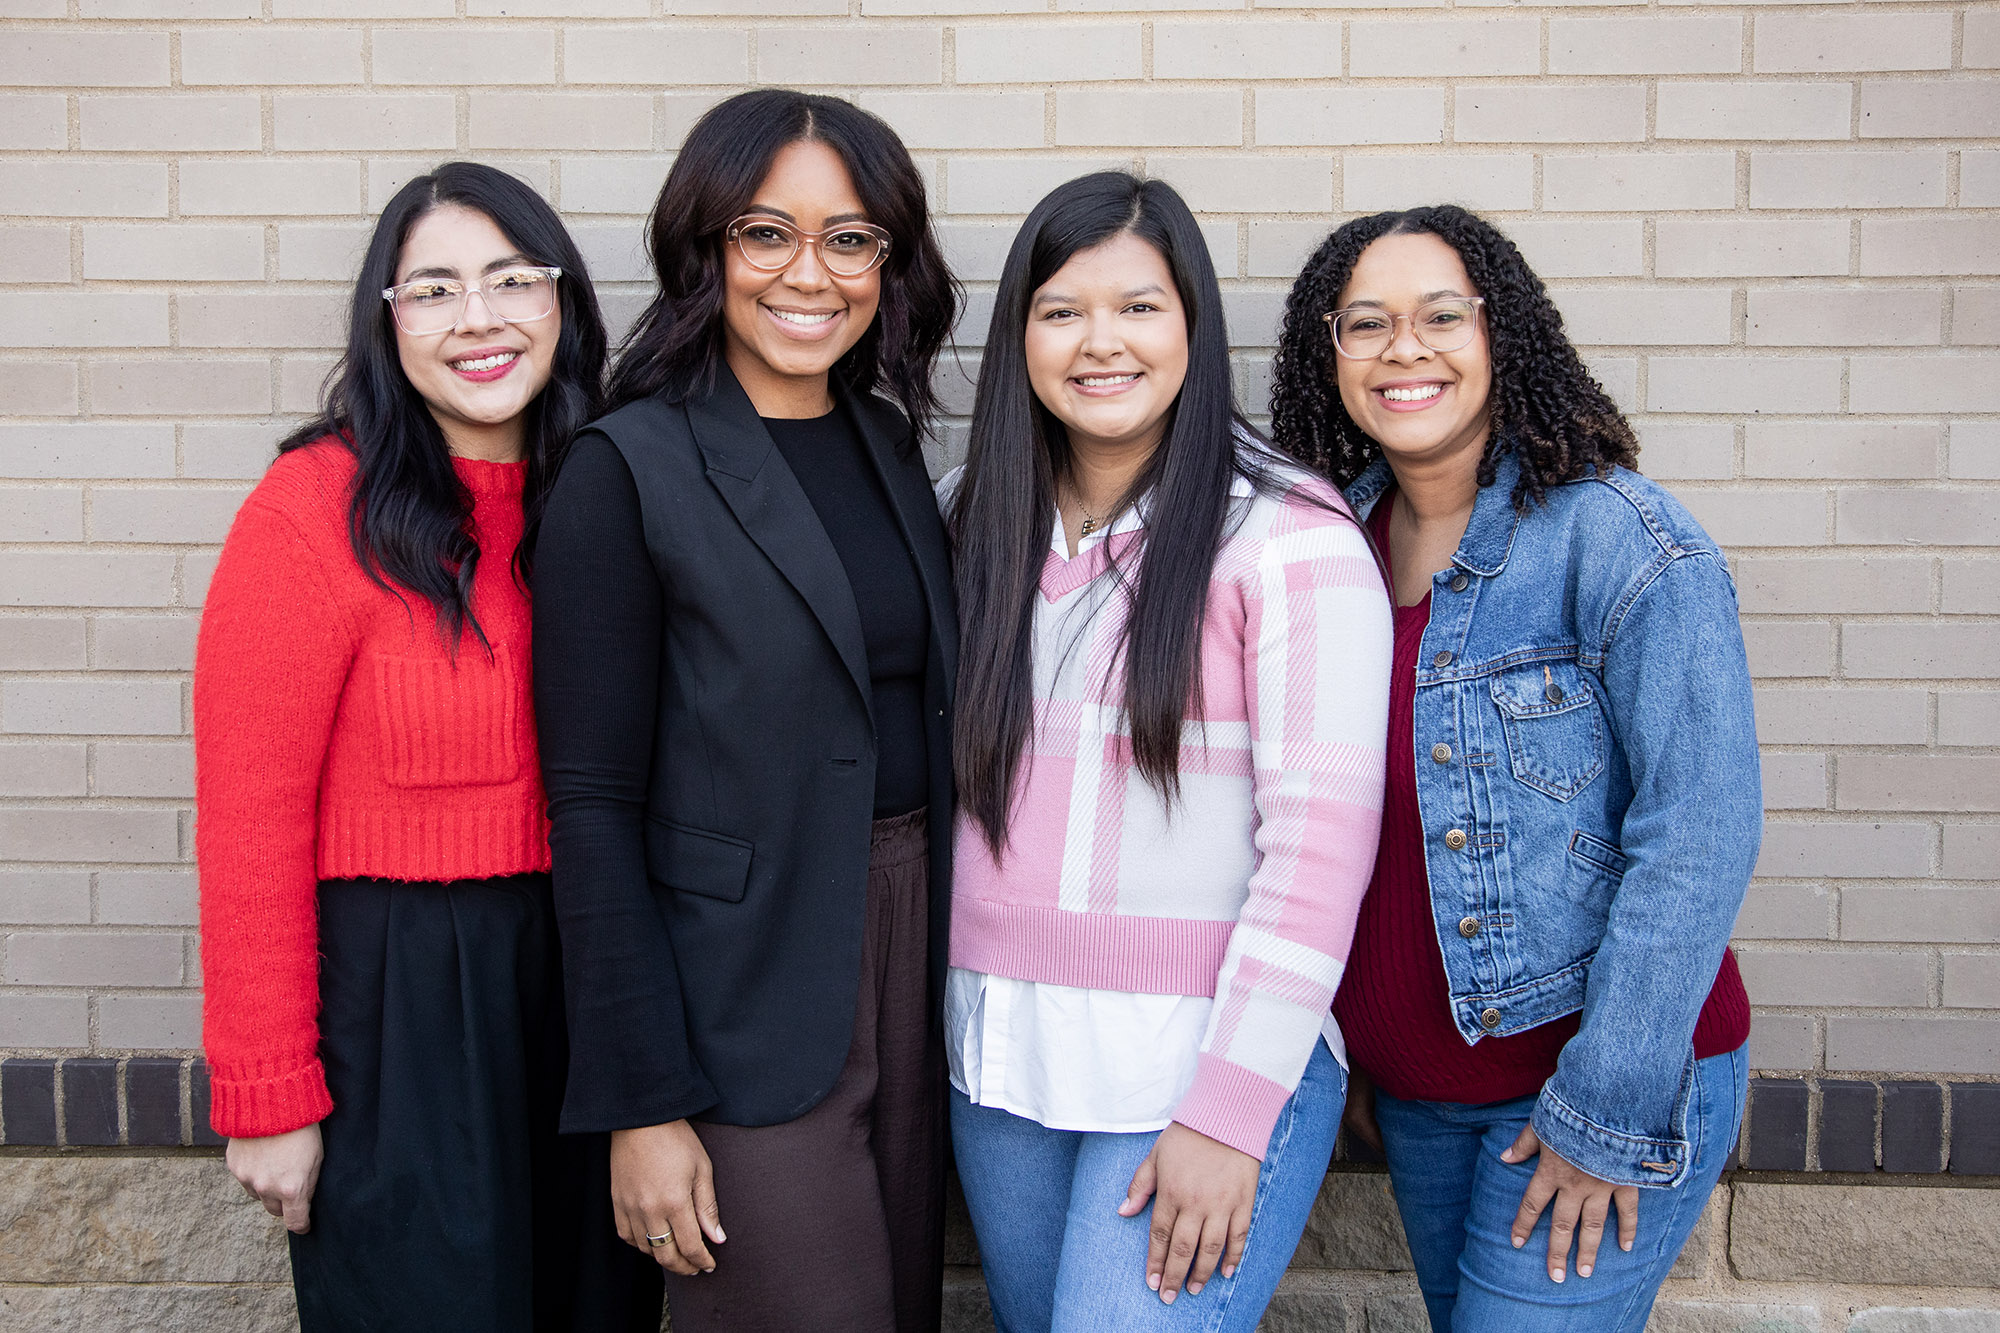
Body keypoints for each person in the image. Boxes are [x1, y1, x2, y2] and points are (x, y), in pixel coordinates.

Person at [1268, 204, 1758, 1333]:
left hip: (1589, 1088)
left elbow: (1699, 831)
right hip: (1422, 1100)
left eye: (1441, 315)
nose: (1405, 349)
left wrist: (1603, 1110)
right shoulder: (1322, 545)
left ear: (1504, 334)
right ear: (1323, 352)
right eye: (1365, 323)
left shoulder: (1621, 541)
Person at [196, 162, 660, 1330]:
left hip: (585, 980)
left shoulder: (604, 491)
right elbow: (249, 819)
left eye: (513, 279)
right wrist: (267, 1092)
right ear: (385, 318)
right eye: (435, 290)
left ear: (564, 305)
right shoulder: (313, 510)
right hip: (398, 1003)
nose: (480, 319)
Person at [530, 89, 960, 1333]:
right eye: (765, 233)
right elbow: (593, 809)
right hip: (735, 997)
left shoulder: (882, 442)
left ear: (887, 259)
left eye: (848, 238)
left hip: (908, 950)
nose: (807, 273)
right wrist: (638, 1099)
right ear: (705, 246)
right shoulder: (628, 470)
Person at [940, 171, 1392, 1332]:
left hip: (1195, 1061)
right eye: (1061, 310)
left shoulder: (1285, 534)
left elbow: (1317, 852)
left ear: (1192, 322)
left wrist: (1231, 1111)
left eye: (1139, 307)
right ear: (1020, 335)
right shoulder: (964, 518)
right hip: (1002, 1055)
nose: (1101, 343)